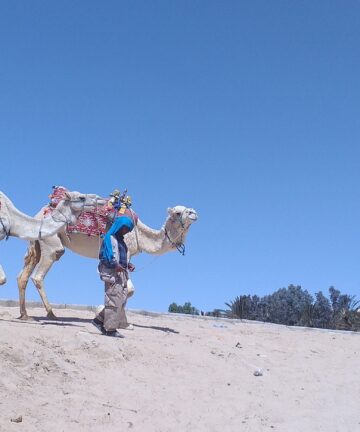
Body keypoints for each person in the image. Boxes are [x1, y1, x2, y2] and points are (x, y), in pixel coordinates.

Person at [92, 215, 135, 337]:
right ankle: (110, 329)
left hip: (122, 274)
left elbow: (120, 257)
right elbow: (105, 256)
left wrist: (128, 264)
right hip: (112, 274)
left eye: (128, 229)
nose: (126, 231)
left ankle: (99, 320)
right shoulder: (109, 239)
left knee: (120, 301)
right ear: (119, 226)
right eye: (125, 228)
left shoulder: (121, 241)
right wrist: (115, 265)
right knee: (113, 300)